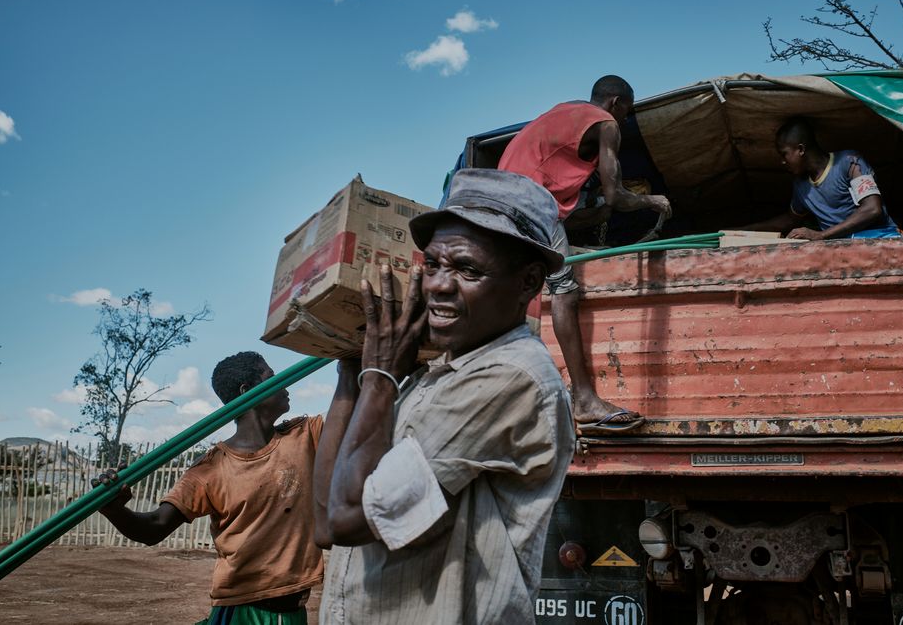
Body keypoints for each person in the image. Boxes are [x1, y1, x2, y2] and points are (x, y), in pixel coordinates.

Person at [313, 169, 574, 624]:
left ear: (529, 283)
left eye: (467, 269)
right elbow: (322, 526)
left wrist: (377, 377)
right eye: (432, 264)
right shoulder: (428, 377)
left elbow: (346, 517)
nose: (436, 284)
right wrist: (351, 366)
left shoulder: (510, 377)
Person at [93, 351, 325, 625]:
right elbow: (154, 527)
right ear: (248, 390)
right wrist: (112, 509)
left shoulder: (305, 435)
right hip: (243, 612)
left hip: (293, 612)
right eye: (273, 378)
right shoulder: (212, 468)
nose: (286, 384)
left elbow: (357, 415)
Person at [498, 75, 672, 433]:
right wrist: (653, 201)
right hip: (528, 201)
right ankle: (585, 399)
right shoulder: (606, 123)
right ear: (615, 103)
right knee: (565, 290)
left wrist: (598, 213)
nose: (624, 120)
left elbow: (575, 205)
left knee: (513, 292)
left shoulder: (565, 112)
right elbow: (616, 196)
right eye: (627, 112)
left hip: (500, 196)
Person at [743, 117, 903, 240]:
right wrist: (742, 229)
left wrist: (821, 235)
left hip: (879, 239)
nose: (782, 161)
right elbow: (790, 220)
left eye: (784, 153)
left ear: (800, 149)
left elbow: (872, 209)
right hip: (840, 249)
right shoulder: (800, 186)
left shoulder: (849, 161)